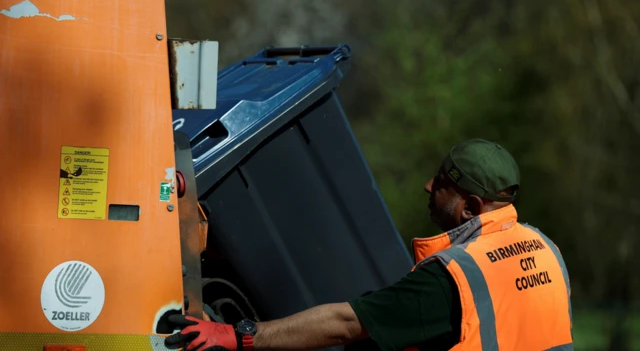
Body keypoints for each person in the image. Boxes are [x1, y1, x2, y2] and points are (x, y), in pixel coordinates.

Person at [164, 138, 574, 351]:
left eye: (443, 185)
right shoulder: (546, 250)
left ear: (470, 207)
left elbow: (345, 323)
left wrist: (240, 335)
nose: (428, 187)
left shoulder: (454, 277)